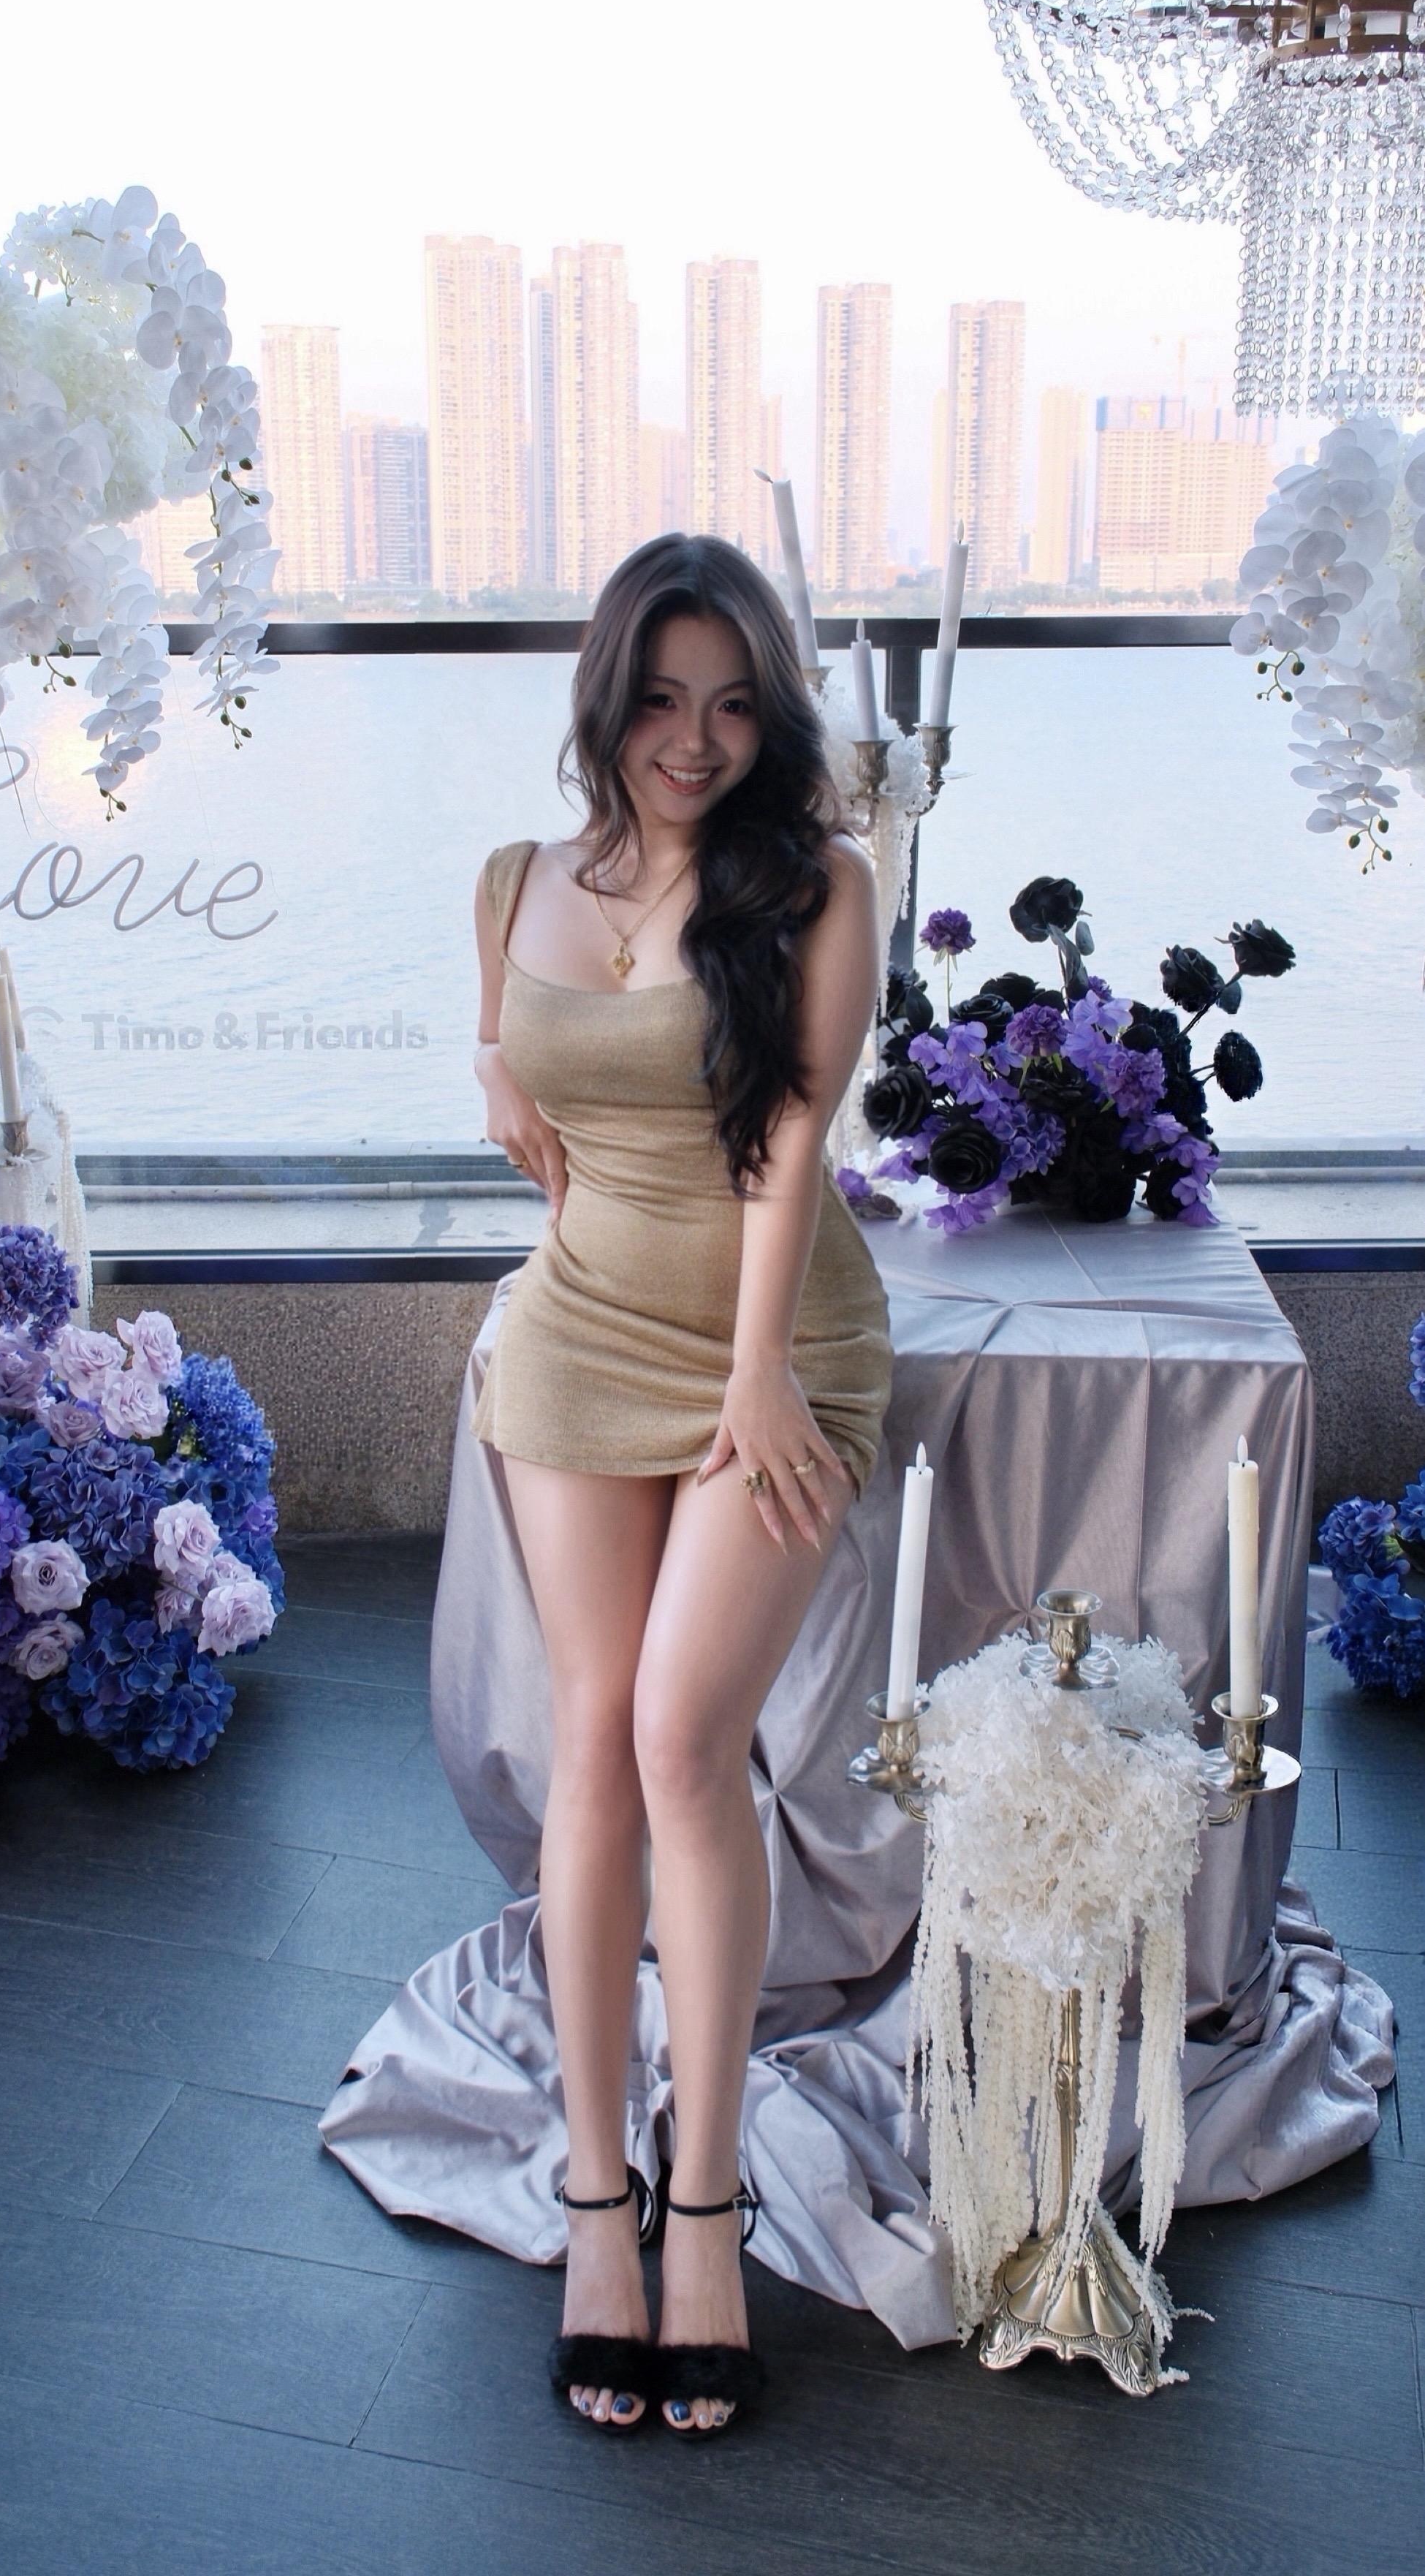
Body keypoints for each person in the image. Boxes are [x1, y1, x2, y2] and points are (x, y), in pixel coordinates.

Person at [471, 532, 892, 2439]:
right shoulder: (511, 882)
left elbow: (788, 1138)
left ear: (768, 715)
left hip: (773, 1348)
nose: (694, 740)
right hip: (578, 1334)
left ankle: (702, 2202)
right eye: (659, 698)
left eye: (730, 704)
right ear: (606, 697)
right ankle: (595, 2199)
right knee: (588, 1740)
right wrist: (497, 1066)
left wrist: (754, 1372)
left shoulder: (819, 888)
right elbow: (517, 1078)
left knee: (677, 1741)